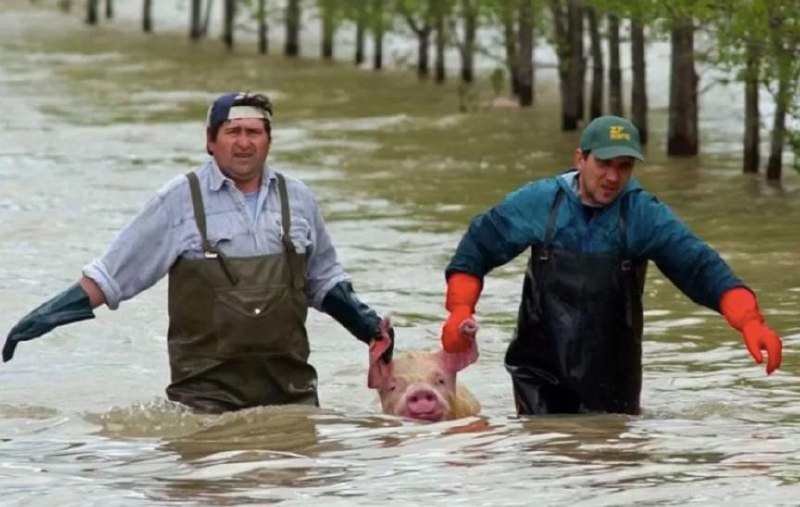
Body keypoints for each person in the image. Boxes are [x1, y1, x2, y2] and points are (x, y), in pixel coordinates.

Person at [3, 92, 393, 414]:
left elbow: (324, 282)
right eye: (233, 131)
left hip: (291, 396)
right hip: (205, 401)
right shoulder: (178, 200)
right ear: (210, 141)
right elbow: (113, 276)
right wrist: (44, 317)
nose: (244, 142)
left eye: (255, 132)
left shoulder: (299, 199)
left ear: (268, 141)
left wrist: (370, 327)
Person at [439, 115, 783, 416]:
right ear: (580, 159)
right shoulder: (540, 202)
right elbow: (478, 248)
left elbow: (700, 267)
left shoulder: (643, 214)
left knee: (614, 470)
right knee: (547, 467)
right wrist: (459, 311)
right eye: (604, 163)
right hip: (539, 372)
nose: (612, 177)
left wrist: (751, 323)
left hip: (613, 376)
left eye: (624, 166)